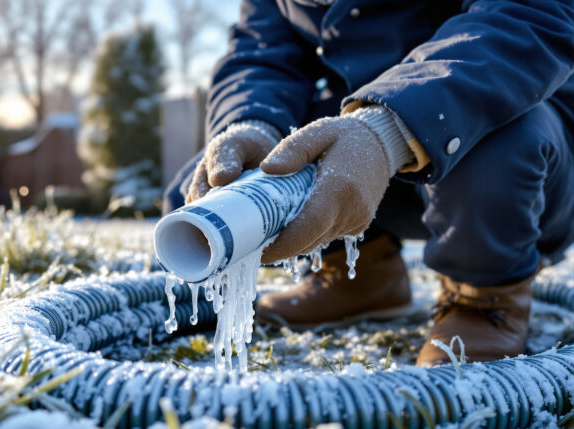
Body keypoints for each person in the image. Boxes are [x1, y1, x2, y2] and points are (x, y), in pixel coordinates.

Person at [162, 0, 574, 366]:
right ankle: (359, 273)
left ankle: (483, 298)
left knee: (497, 149)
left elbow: (527, 14)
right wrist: (253, 123)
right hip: (358, 153)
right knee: (207, 176)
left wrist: (386, 130)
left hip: (512, 147)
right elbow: (261, 53)